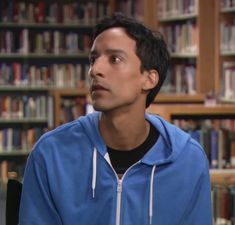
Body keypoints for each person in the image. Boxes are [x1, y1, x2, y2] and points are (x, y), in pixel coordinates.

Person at [19, 13, 212, 225]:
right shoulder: (50, 154)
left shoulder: (187, 160)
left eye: (115, 59)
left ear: (149, 79)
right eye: (93, 59)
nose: (95, 70)